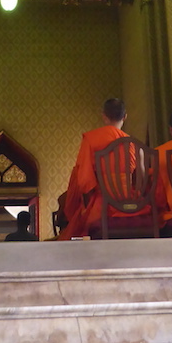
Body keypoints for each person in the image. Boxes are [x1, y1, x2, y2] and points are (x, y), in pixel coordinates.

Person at [57, 98, 129, 240]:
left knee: (78, 213)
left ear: (103, 116)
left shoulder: (91, 139)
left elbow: (84, 180)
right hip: (129, 205)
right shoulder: (131, 142)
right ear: (125, 116)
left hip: (101, 206)